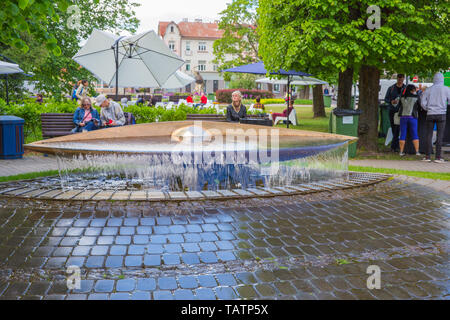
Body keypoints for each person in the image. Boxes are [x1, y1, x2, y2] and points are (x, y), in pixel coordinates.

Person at [420, 72, 450, 163]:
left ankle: (427, 156)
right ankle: (438, 157)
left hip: (430, 113)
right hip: (441, 114)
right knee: (440, 136)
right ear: (442, 79)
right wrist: (445, 106)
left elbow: (422, 102)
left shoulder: (428, 89)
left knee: (429, 135)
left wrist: (427, 108)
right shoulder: (446, 89)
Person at [384, 74, 406, 152]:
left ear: (403, 79)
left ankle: (395, 145)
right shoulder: (391, 88)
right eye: (399, 79)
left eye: (401, 79)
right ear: (397, 79)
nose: (400, 80)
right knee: (394, 128)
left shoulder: (405, 88)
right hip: (393, 110)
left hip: (402, 111)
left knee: (399, 128)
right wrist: (391, 101)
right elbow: (386, 99)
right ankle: (395, 145)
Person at [397, 84, 421, 156]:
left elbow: (398, 106)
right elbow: (419, 106)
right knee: (414, 134)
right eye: (414, 90)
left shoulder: (402, 97)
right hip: (412, 117)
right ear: (412, 90)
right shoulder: (416, 97)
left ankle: (401, 152)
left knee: (402, 134)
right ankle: (417, 151)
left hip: (403, 118)